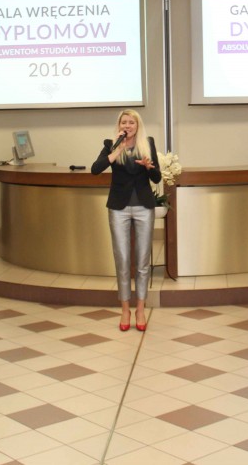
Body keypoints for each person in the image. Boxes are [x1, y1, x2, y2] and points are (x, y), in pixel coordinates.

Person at [90, 109, 162, 333]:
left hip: (143, 207)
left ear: (138, 126)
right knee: (122, 261)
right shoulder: (110, 144)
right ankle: (125, 310)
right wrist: (117, 150)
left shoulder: (147, 143)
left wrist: (149, 167)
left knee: (142, 262)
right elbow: (95, 169)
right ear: (119, 125)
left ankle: (140, 309)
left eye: (132, 122)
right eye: (124, 122)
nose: (128, 126)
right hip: (118, 208)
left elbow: (157, 177)